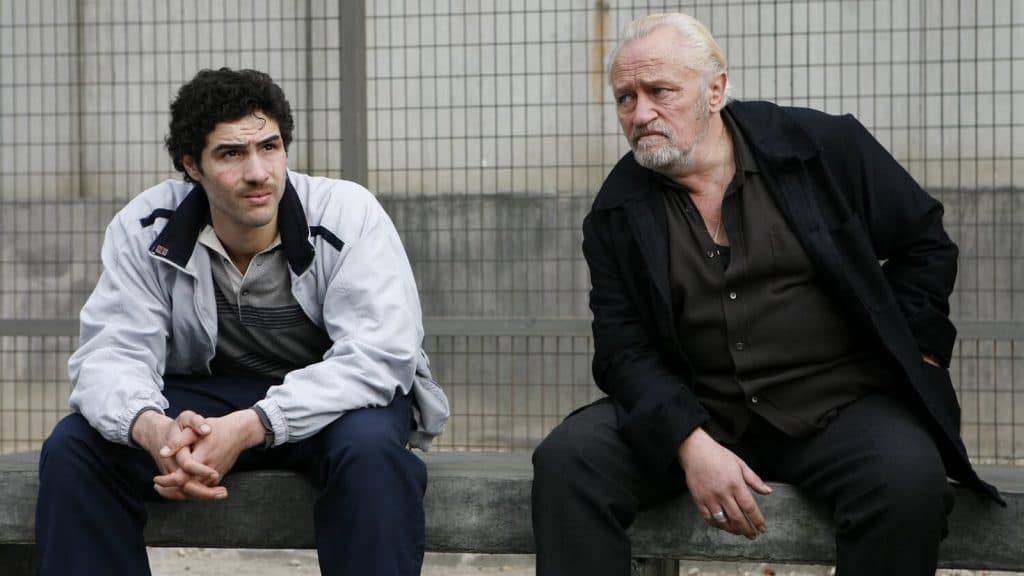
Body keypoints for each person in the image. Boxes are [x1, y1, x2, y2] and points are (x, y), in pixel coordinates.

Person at [532, 13, 1003, 576]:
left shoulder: (821, 149)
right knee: (570, 460)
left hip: (838, 406)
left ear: (716, 90)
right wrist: (688, 440)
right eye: (625, 98)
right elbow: (622, 351)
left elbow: (924, 242)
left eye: (661, 91)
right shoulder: (616, 211)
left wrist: (918, 350)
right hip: (700, 406)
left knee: (907, 482)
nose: (641, 113)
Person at [35, 67, 448, 576]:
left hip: (333, 402)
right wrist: (154, 427)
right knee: (75, 448)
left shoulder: (347, 214)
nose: (258, 172)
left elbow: (380, 355)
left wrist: (253, 425)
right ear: (192, 166)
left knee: (372, 453)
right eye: (231, 153)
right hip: (210, 399)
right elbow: (112, 352)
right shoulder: (144, 226)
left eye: (270, 147)